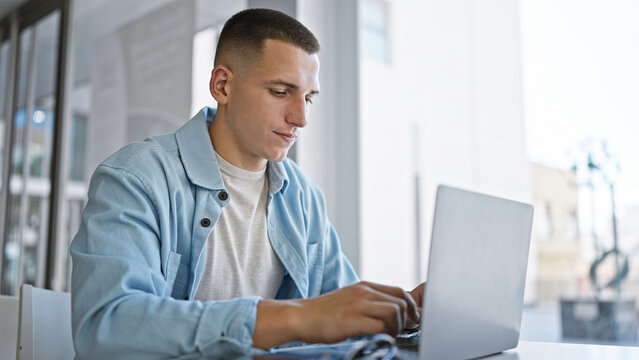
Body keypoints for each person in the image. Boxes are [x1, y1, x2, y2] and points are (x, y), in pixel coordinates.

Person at [71, 8, 424, 359]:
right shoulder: (136, 179)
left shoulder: (303, 197)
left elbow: (342, 317)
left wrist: (406, 314)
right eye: (281, 91)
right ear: (222, 86)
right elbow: (108, 329)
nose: (300, 118)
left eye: (309, 97)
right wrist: (296, 318)